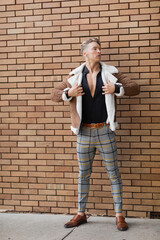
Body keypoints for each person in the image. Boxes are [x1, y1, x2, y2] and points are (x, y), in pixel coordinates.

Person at [51, 38, 140, 231]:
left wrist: (116, 88)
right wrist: (69, 93)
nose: (99, 52)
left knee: (113, 174)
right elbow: (54, 94)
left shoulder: (111, 73)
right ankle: (81, 213)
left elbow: (135, 88)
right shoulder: (74, 77)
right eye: (95, 49)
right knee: (83, 174)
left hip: (105, 130)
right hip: (83, 133)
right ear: (85, 53)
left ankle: (119, 216)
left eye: (99, 49)